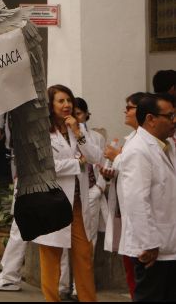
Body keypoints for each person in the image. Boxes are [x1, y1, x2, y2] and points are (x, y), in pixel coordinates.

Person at [34, 84, 101, 302]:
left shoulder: (77, 129)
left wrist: (79, 133)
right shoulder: (42, 131)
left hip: (77, 204)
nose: (67, 105)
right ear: (50, 105)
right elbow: (45, 165)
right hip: (53, 203)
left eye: (69, 101)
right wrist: (76, 164)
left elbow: (94, 157)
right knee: (51, 259)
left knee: (84, 257)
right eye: (61, 101)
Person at [117, 93, 176, 301]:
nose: (174, 121)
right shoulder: (138, 150)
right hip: (152, 251)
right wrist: (148, 243)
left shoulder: (168, 146)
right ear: (151, 119)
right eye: (169, 116)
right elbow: (136, 200)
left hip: (169, 245)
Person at [58, 97, 108, 300]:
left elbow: (100, 160)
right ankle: (62, 286)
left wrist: (98, 188)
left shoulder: (93, 136)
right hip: (67, 195)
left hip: (89, 192)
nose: (74, 117)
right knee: (61, 243)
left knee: (88, 242)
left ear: (86, 115)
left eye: (79, 113)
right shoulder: (58, 135)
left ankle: (80, 288)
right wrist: (76, 163)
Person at [100, 91, 146, 299]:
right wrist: (109, 172)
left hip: (142, 215)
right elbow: (125, 170)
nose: (125, 111)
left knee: (141, 267)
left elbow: (138, 167)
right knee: (129, 261)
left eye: (129, 107)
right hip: (124, 208)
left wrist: (116, 157)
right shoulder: (129, 139)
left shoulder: (147, 141)